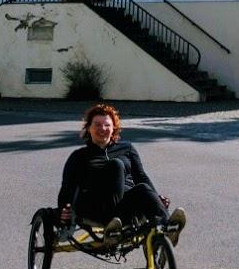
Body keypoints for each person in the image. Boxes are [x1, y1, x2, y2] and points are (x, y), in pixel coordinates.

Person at [57, 103, 186, 246]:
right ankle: (112, 225)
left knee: (143, 187)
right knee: (116, 165)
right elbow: (67, 188)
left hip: (126, 207)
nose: (102, 129)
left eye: (107, 125)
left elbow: (141, 176)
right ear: (88, 128)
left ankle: (168, 227)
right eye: (97, 125)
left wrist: (157, 198)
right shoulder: (79, 156)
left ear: (114, 128)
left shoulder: (127, 148)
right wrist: (64, 211)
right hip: (95, 206)